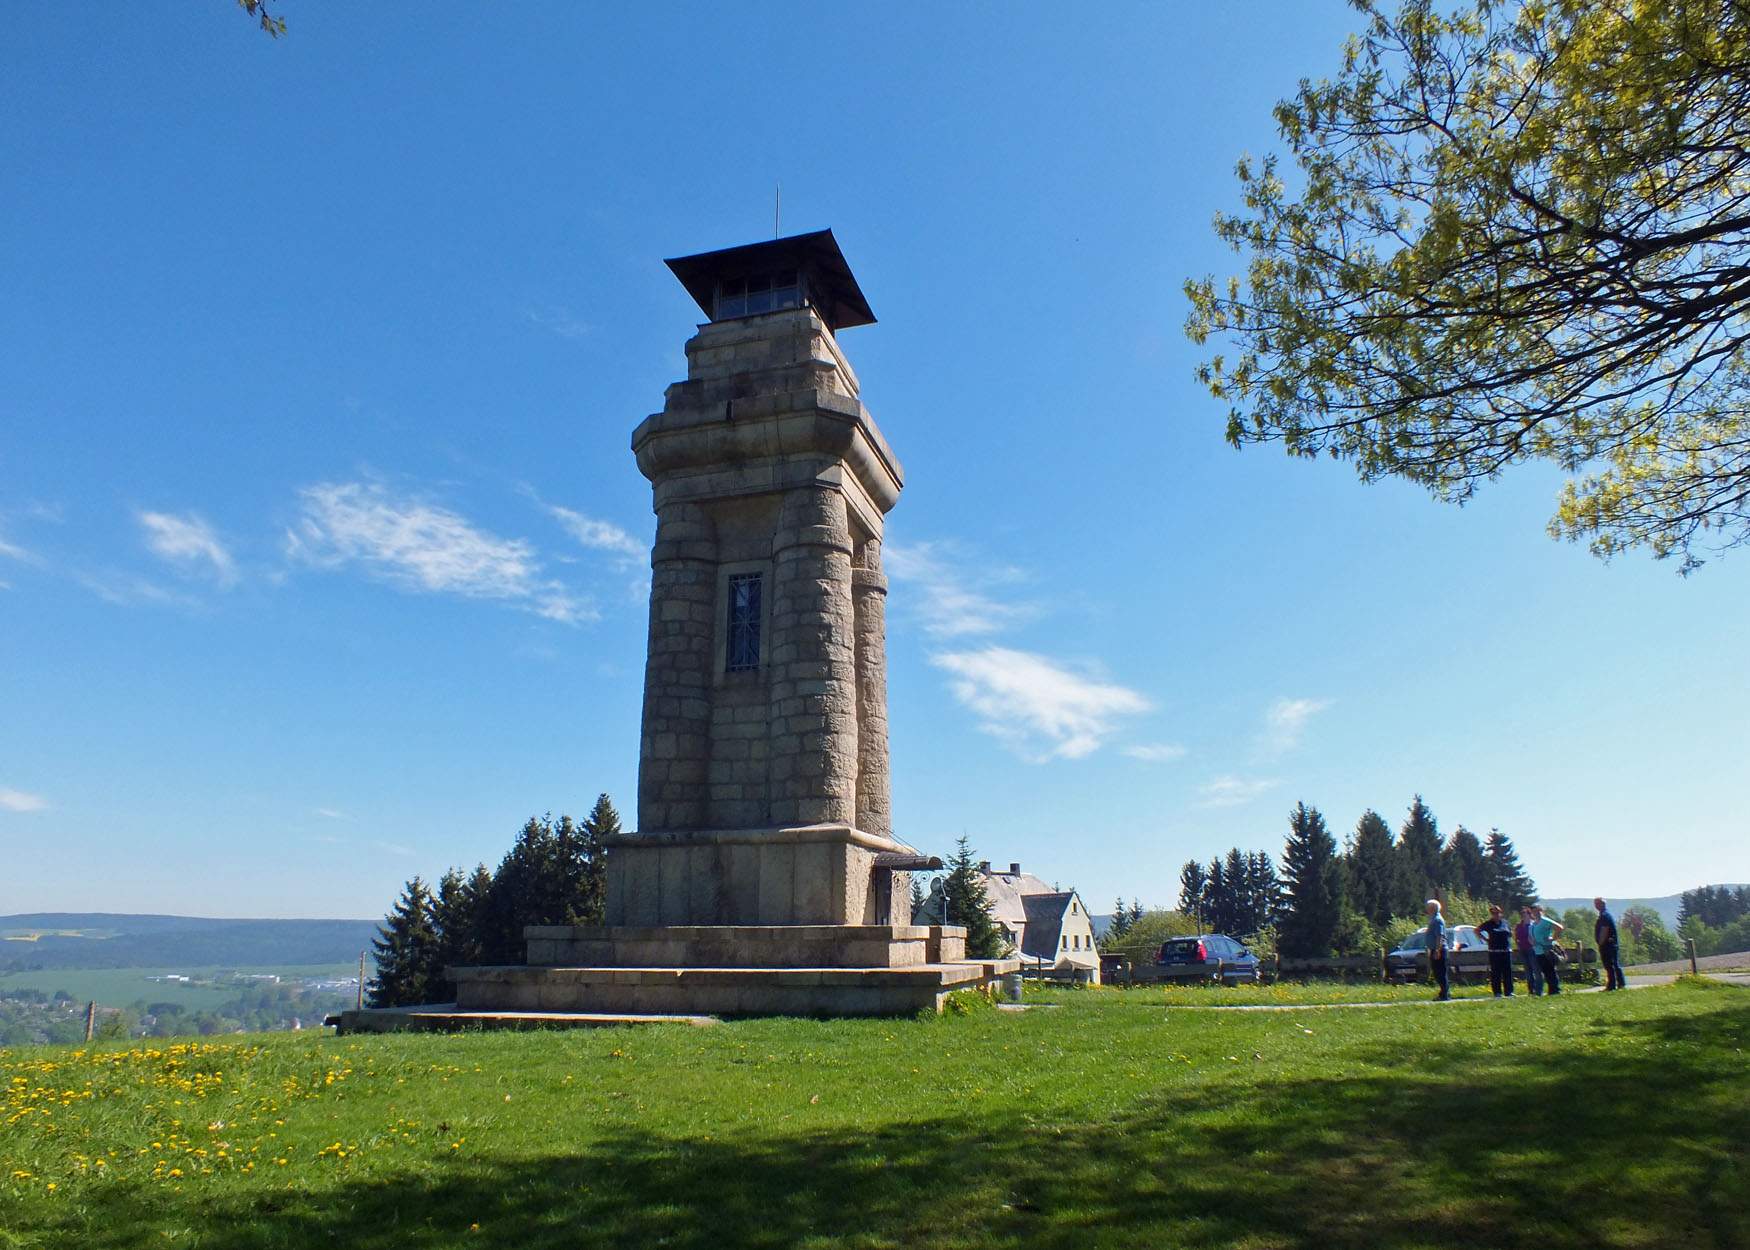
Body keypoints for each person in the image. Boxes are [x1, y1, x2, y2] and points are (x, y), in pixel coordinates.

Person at [1477, 903, 1514, 997]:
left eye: (1497, 913)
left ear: (1500, 913)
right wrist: (1486, 940)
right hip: (1494, 952)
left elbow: (1510, 933)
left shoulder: (1505, 923)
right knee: (1496, 972)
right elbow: (1477, 930)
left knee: (1508, 972)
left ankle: (1509, 992)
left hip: (1506, 951)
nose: (1496, 915)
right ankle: (1497, 992)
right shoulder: (1488, 924)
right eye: (1493, 913)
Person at [1531, 905, 1565, 995]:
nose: (1536, 913)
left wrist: (1553, 938)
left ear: (1541, 911)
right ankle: (1551, 990)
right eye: (1534, 911)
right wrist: (1531, 941)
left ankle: (1555, 990)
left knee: (1550, 970)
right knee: (1545, 971)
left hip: (1546, 949)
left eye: (1537, 911)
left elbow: (1559, 927)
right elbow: (1530, 936)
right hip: (1538, 950)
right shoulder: (1533, 924)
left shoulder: (1545, 921)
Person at [1595, 897, 1626, 991]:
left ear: (1601, 904)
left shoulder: (1604, 916)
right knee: (1614, 964)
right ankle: (1620, 983)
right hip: (1611, 944)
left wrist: (1600, 942)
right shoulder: (1605, 914)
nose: (1596, 906)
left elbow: (1605, 930)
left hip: (1607, 944)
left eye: (1597, 903)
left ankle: (1612, 985)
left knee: (1610, 965)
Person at [1425, 898, 1452, 1001]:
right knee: (1437, 973)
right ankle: (1443, 993)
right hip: (1434, 949)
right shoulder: (1433, 919)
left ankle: (1445, 995)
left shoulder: (1437, 920)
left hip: (1439, 950)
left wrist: (1437, 950)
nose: (1427, 909)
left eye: (1429, 907)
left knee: (1440, 972)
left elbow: (1439, 936)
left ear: (1433, 908)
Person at [1515, 906, 1542, 995]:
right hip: (1523, 949)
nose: (1523, 915)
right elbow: (1516, 937)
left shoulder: (1533, 925)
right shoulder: (1519, 926)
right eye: (1521, 913)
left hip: (1532, 949)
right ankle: (1531, 990)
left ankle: (1538, 990)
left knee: (1536, 969)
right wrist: (1518, 945)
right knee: (1528, 971)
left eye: (1524, 913)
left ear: (1529, 914)